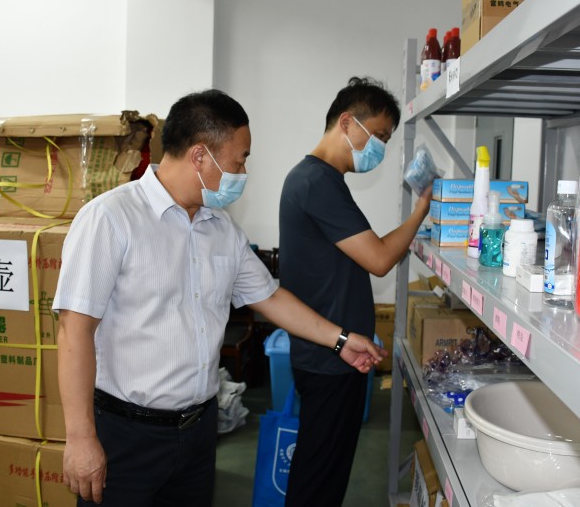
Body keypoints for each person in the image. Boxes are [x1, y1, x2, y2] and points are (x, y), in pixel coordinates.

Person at [53, 89, 386, 506]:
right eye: (239, 160)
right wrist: (80, 438)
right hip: (127, 435)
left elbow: (270, 298)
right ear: (199, 156)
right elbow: (74, 331)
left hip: (197, 433)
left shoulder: (222, 230)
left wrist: (340, 340)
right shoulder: (111, 219)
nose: (243, 172)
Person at [279, 77, 432, 506]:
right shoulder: (317, 182)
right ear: (347, 122)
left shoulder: (322, 180)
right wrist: (421, 210)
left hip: (336, 352)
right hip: (328, 358)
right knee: (318, 480)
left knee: (324, 474)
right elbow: (379, 258)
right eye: (378, 136)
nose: (380, 148)